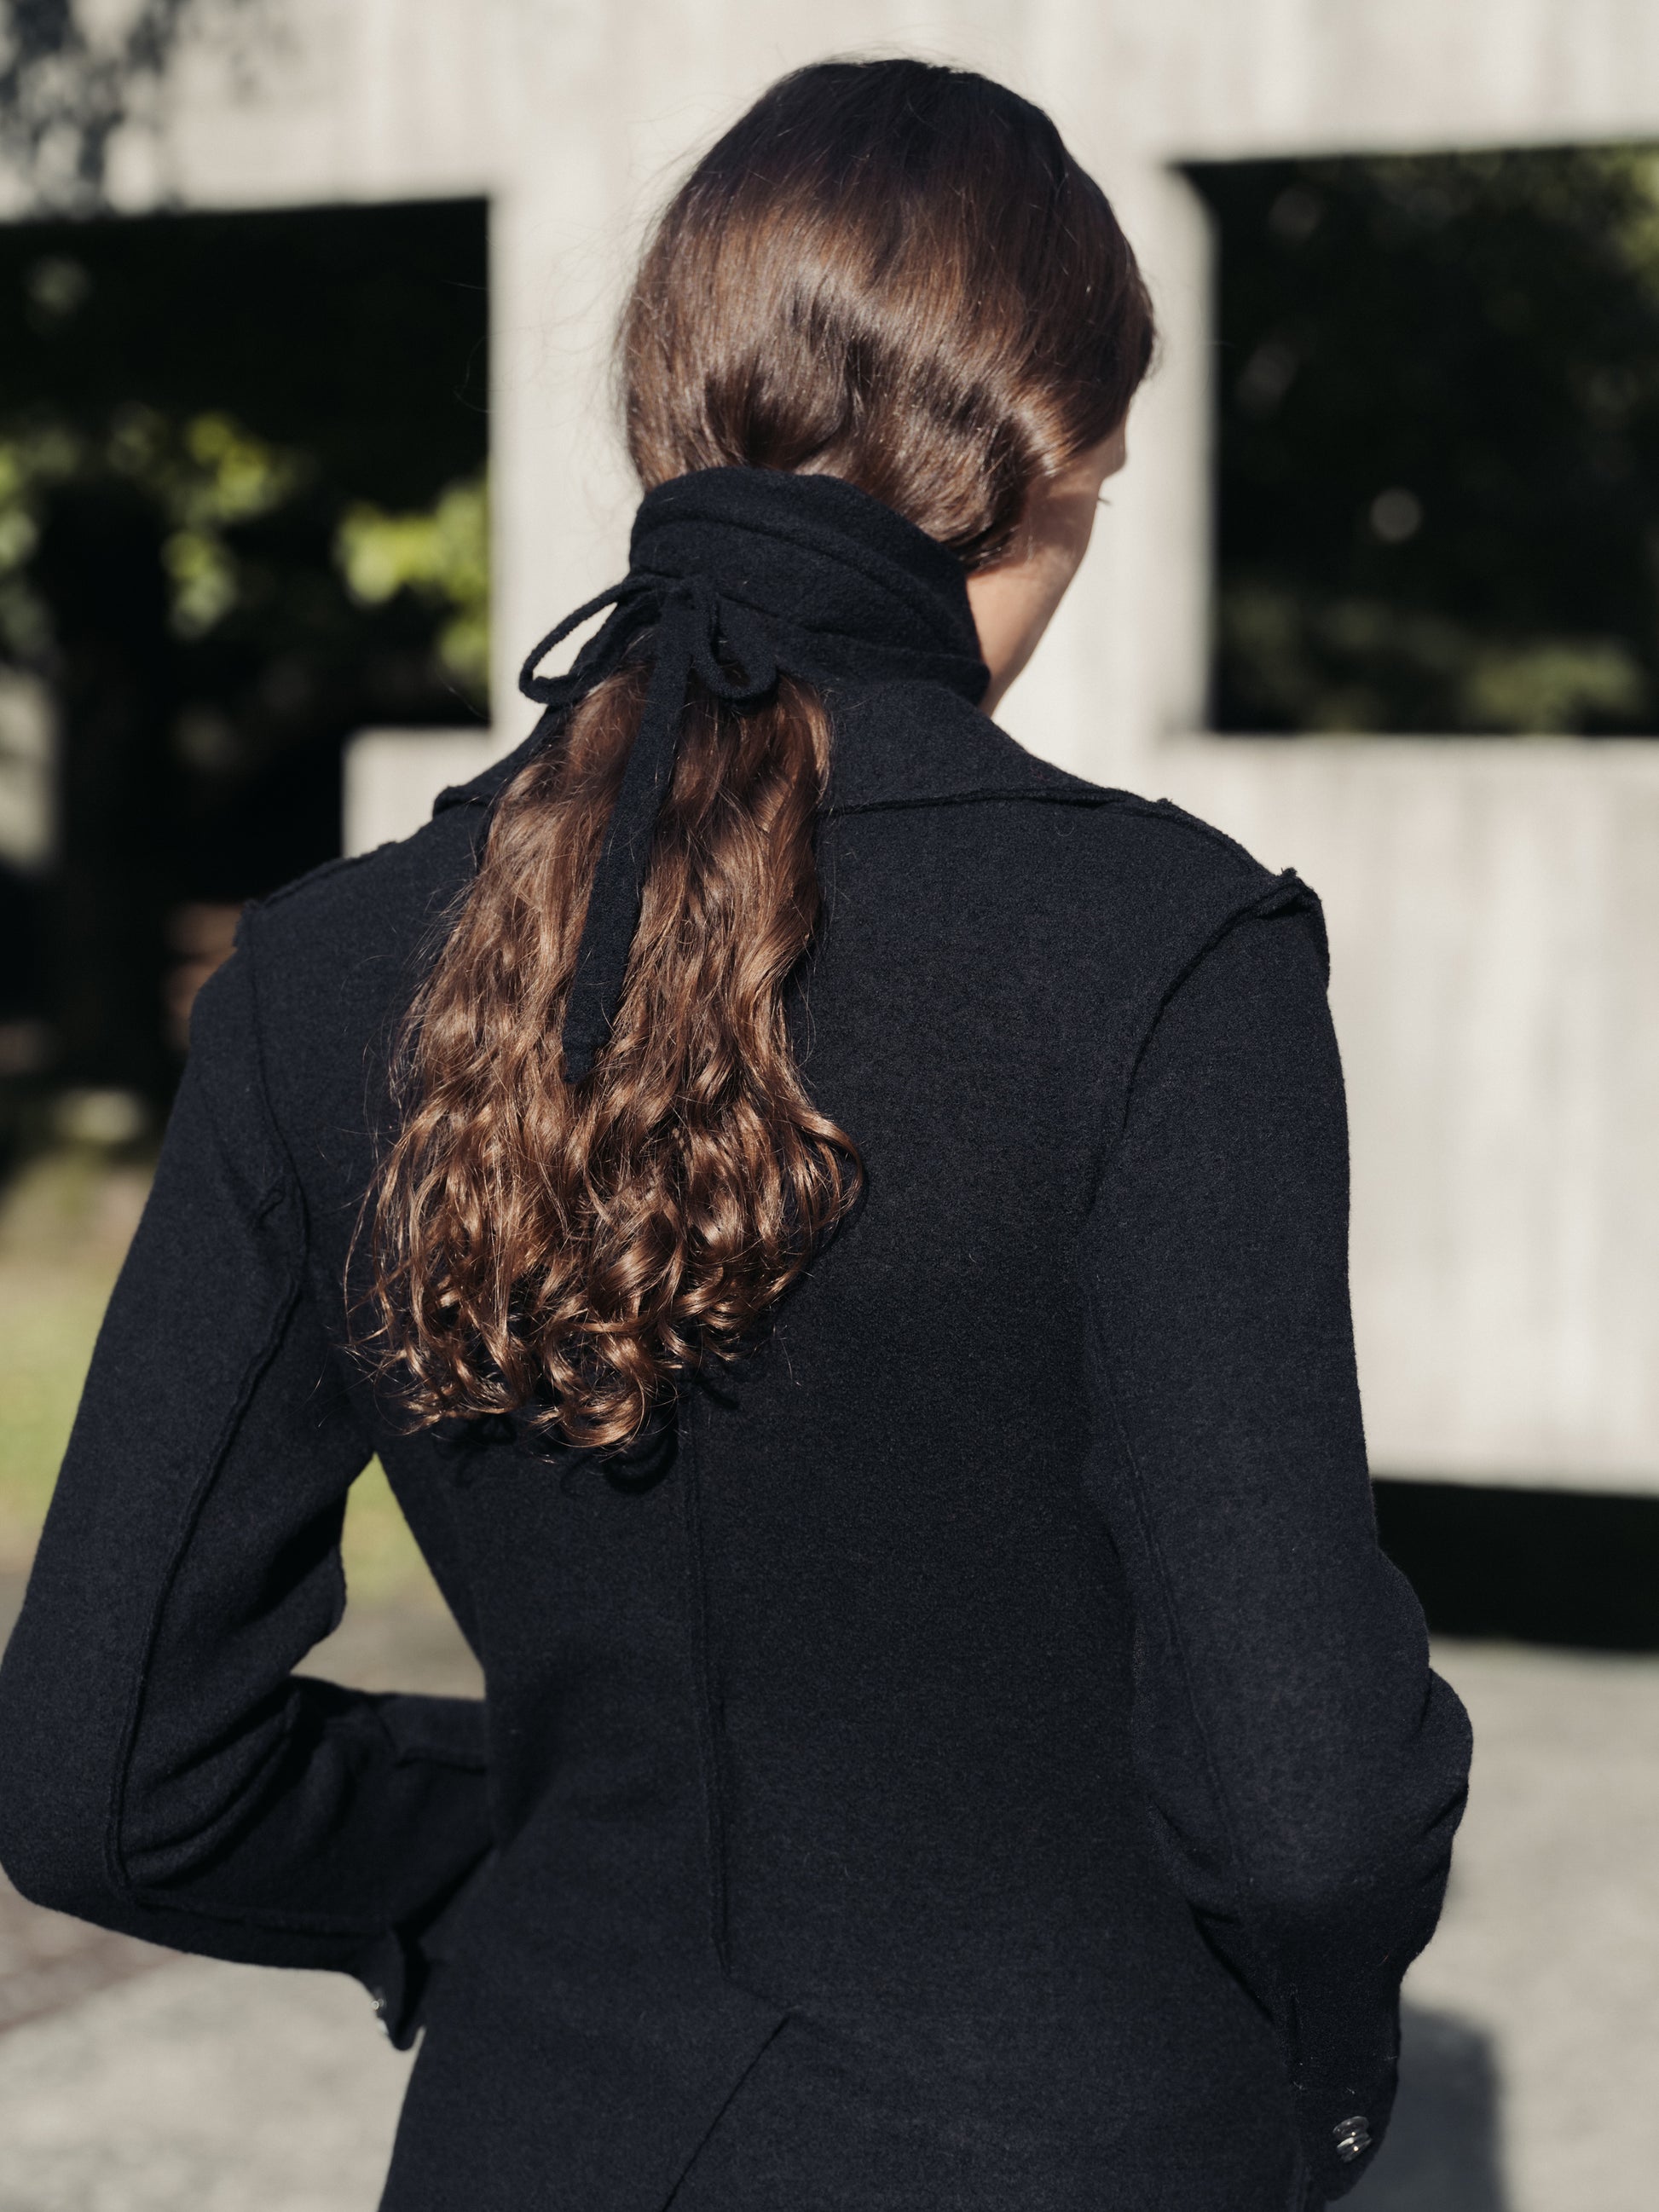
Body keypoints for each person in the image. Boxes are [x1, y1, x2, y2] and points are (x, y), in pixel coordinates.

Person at [0, 57, 1471, 2212]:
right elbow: (1309, 1802)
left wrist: (540, 1854)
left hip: (532, 2139)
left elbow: (99, 1775)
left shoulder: (323, 971)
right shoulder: (1167, 952)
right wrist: (1321, 2080)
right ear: (1048, 460)